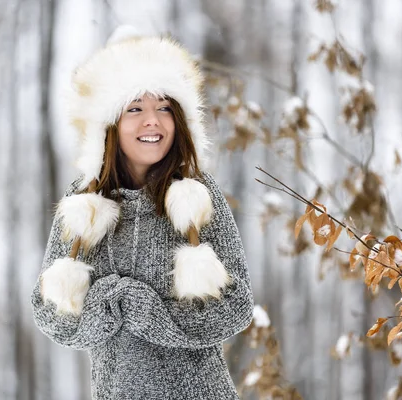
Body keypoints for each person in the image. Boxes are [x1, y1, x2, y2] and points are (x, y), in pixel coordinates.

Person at [30, 26, 255, 400]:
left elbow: (237, 306)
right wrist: (106, 304)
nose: (152, 121)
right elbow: (47, 310)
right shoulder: (81, 203)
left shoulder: (199, 194)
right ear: (109, 124)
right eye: (135, 108)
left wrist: (153, 315)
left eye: (164, 108)